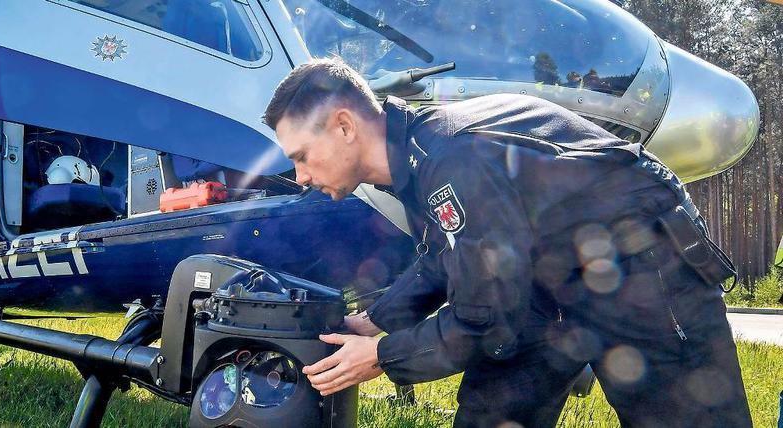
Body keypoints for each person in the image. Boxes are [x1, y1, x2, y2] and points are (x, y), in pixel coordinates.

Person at [262, 58, 752, 427]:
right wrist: (373, 321)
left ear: (345, 126)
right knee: (493, 411)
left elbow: (486, 318)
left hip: (645, 263)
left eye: (302, 156)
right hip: (550, 276)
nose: (300, 176)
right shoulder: (417, 155)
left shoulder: (455, 157)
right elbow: (445, 257)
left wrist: (381, 356)